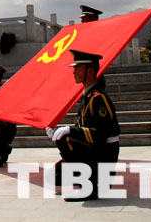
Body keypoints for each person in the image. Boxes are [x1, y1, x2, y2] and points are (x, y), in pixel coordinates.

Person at [46, 49, 120, 201]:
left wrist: (70, 131)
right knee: (54, 176)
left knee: (65, 139)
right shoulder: (88, 96)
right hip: (94, 150)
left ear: (90, 71)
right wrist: (60, 131)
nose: (74, 72)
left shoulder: (98, 98)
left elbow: (101, 134)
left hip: (104, 153)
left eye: (78, 68)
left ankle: (89, 188)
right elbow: (83, 125)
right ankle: (94, 179)